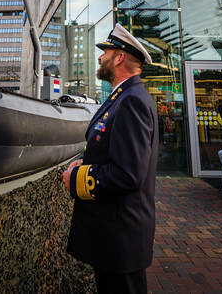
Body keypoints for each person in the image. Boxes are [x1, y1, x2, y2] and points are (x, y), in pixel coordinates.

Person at [62, 23, 158, 294]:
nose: (101, 57)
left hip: (121, 235)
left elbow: (128, 174)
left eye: (106, 51)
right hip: (115, 234)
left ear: (119, 58)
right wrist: (87, 164)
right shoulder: (124, 96)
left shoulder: (132, 101)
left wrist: (78, 178)